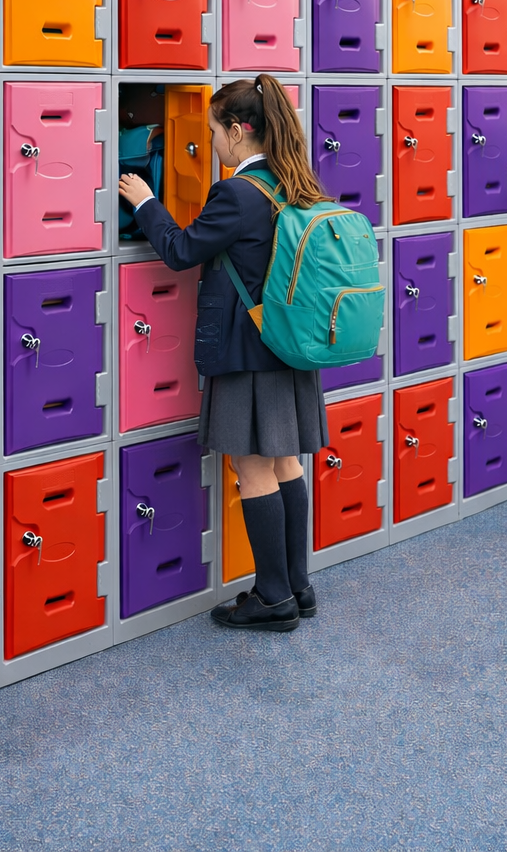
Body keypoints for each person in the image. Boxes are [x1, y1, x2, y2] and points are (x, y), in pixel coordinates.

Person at [118, 75, 330, 630]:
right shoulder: (293, 179)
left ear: (238, 132)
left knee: (253, 468)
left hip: (247, 352)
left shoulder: (237, 193)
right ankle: (297, 587)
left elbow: (181, 250)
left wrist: (146, 203)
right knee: (286, 462)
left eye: (214, 132)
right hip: (289, 346)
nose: (209, 143)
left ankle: (272, 597)